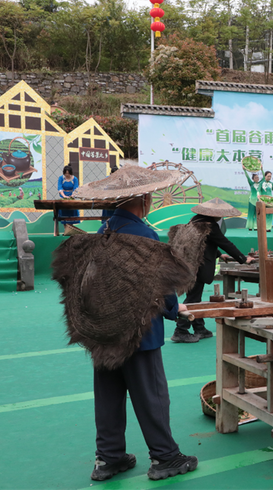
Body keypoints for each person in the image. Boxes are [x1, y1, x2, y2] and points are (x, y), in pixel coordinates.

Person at [81, 167, 198, 482]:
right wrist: (176, 310)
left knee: (108, 394)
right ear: (145, 199)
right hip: (139, 332)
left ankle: (108, 459)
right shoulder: (145, 235)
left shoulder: (102, 232)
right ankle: (165, 457)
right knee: (151, 394)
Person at [172, 199, 255, 343]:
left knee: (195, 297)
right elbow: (225, 243)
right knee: (192, 299)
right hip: (197, 265)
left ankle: (200, 328)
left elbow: (201, 242)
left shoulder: (195, 220)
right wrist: (243, 258)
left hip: (190, 263)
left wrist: (219, 255)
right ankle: (180, 330)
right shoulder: (210, 226)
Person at [58, 166, 80, 234]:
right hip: (63, 197)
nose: (67, 175)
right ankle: (65, 230)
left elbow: (76, 188)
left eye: (68, 173)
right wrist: (64, 196)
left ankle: (71, 230)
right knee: (64, 214)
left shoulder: (74, 179)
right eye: (66, 173)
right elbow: (59, 188)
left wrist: (72, 195)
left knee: (71, 213)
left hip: (71, 197)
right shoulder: (61, 178)